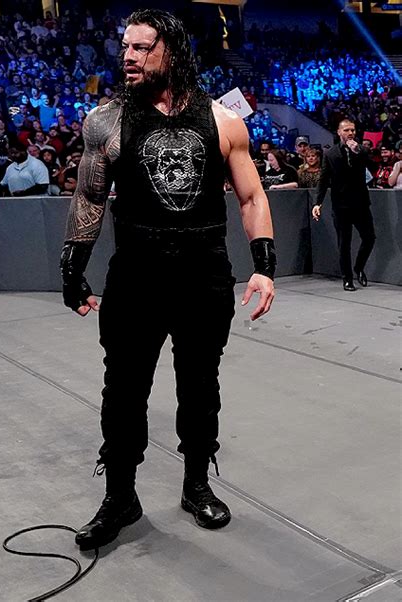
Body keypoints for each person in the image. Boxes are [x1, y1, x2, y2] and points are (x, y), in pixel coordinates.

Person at [60, 9, 276, 551]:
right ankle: (120, 496)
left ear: (171, 51)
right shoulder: (106, 120)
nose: (127, 57)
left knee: (200, 386)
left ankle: (196, 483)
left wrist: (264, 266)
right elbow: (89, 197)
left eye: (141, 47)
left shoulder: (223, 120)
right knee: (123, 390)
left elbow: (252, 195)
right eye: (125, 47)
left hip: (203, 274)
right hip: (136, 275)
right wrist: (72, 266)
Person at [312, 119, 376, 291]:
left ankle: (358, 267)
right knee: (344, 243)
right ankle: (347, 279)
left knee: (369, 238)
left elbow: (373, 167)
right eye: (347, 130)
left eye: (353, 130)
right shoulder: (330, 154)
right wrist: (317, 202)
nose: (350, 133)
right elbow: (324, 179)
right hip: (340, 206)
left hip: (361, 203)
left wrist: (358, 151)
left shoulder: (362, 150)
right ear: (339, 132)